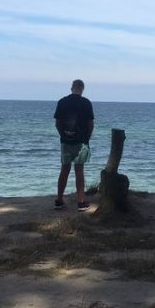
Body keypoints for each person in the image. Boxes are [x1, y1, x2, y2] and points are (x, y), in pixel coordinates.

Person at [54, 79, 94, 211]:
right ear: (82, 89)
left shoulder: (62, 102)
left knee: (64, 170)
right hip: (81, 142)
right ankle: (80, 202)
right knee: (79, 171)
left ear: (72, 88)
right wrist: (86, 139)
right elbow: (90, 125)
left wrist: (63, 136)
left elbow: (58, 123)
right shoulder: (86, 103)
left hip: (65, 141)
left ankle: (59, 200)